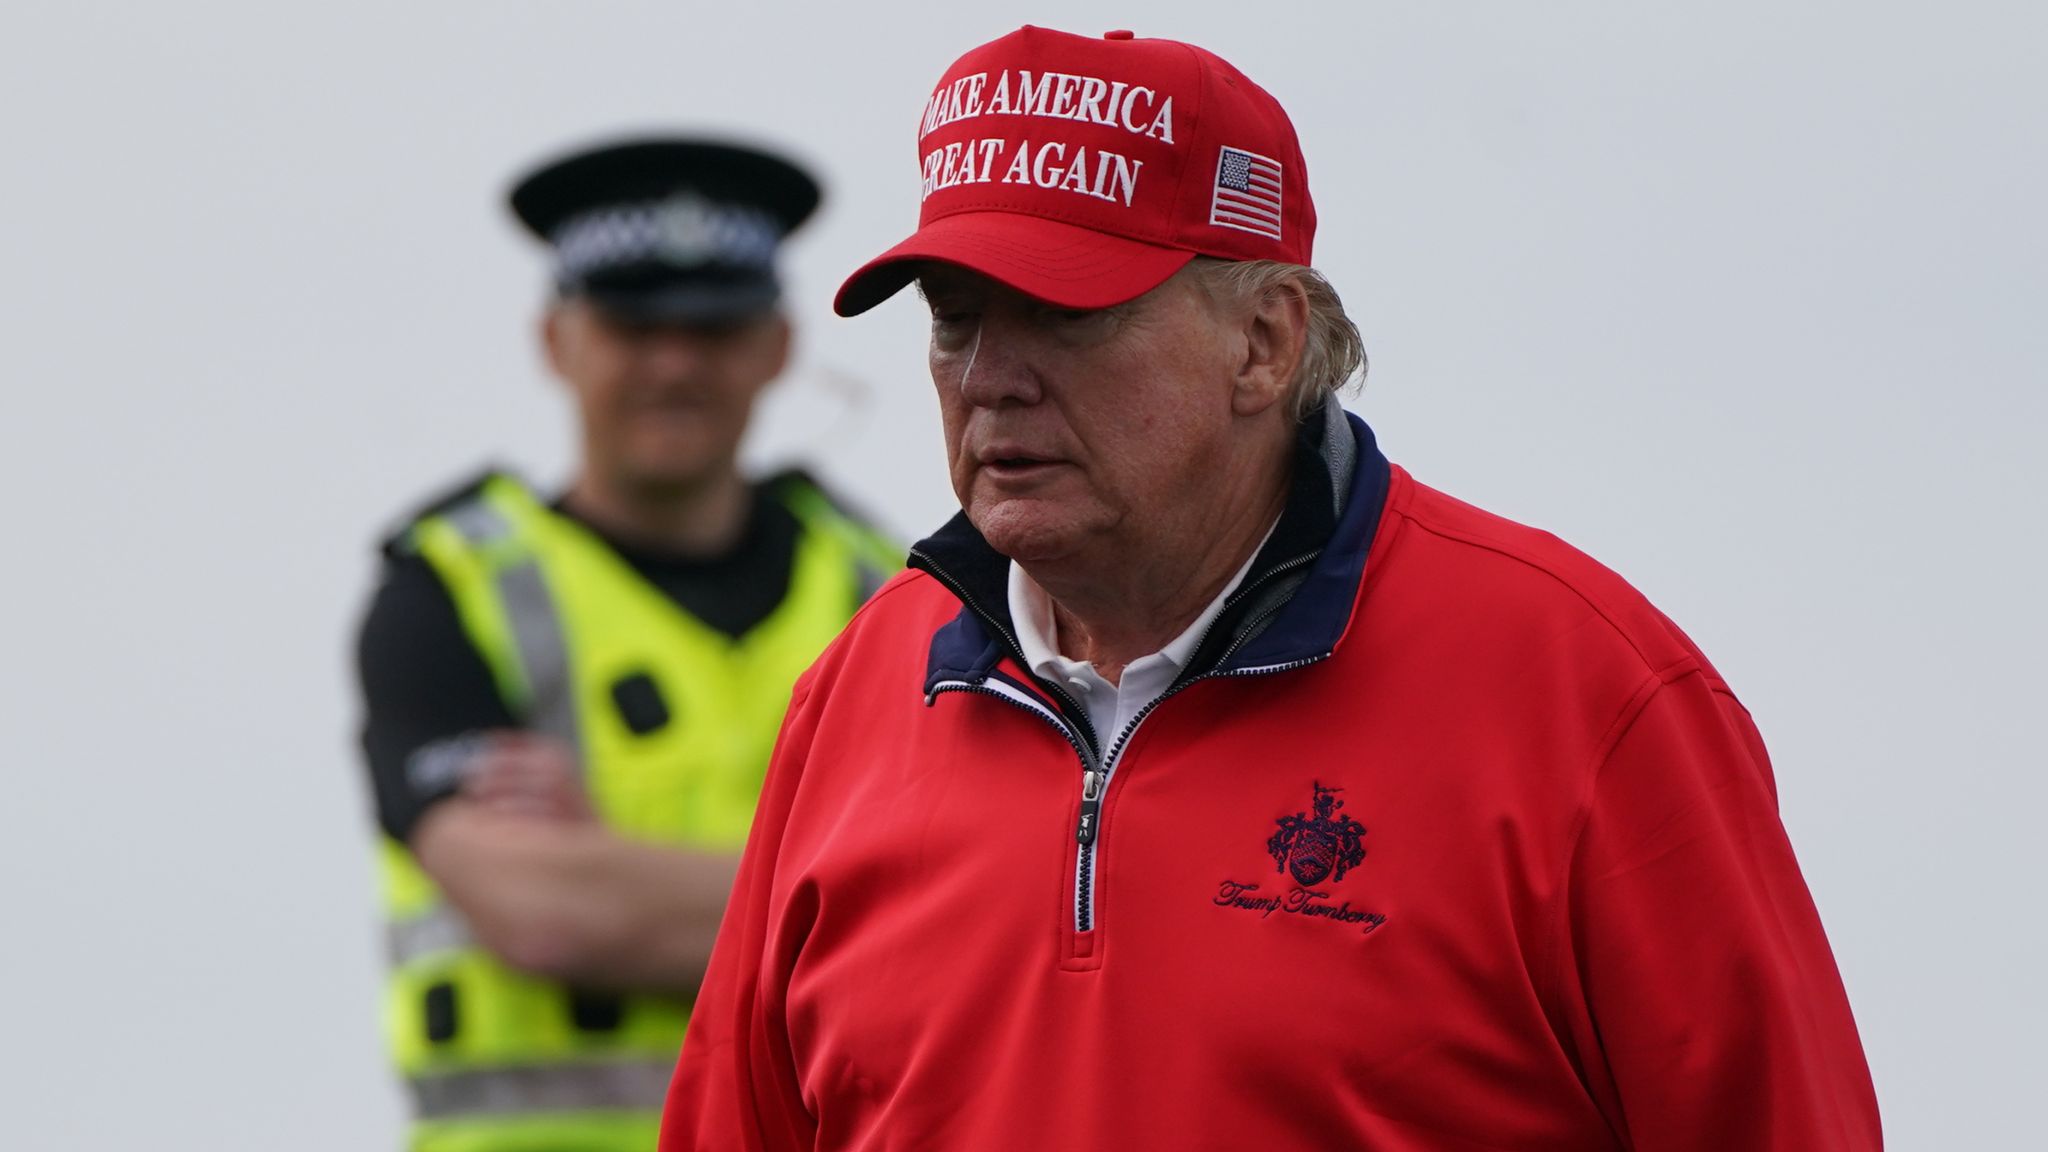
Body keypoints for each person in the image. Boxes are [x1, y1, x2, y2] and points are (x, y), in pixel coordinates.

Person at [658, 26, 1883, 1152]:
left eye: (1063, 314)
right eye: (954, 318)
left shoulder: (1584, 695)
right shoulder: (857, 698)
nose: (988, 376)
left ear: (1265, 341)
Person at [355, 136, 899, 1152]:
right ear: (554, 341)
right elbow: (541, 910)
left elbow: (997, 900)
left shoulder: (887, 593)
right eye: (632, 326)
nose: (674, 364)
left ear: (779, 346)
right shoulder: (451, 591)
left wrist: (610, 865)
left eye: (715, 328)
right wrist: (866, 903)